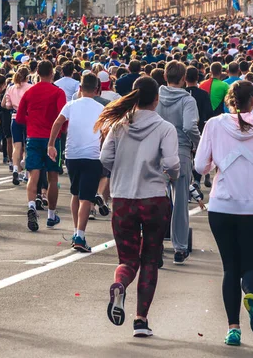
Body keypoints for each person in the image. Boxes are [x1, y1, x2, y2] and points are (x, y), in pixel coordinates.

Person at [195, 80, 253, 346]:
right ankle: (251, 293)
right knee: (252, 264)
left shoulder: (214, 124)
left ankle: (233, 327)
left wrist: (216, 164)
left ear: (230, 100)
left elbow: (200, 165)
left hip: (222, 204)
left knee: (229, 267)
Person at [98, 76, 180, 337]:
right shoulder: (164, 128)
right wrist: (170, 176)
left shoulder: (119, 125)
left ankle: (120, 283)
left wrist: (121, 171)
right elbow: (173, 163)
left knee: (128, 258)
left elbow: (104, 157)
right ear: (156, 100)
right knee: (150, 260)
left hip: (123, 197)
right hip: (154, 198)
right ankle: (141, 319)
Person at [48, 73, 104, 252]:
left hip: (72, 154)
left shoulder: (71, 104)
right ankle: (80, 234)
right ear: (97, 90)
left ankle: (76, 231)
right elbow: (106, 131)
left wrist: (51, 144)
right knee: (86, 197)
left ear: (79, 89)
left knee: (75, 192)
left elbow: (58, 122)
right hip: (92, 155)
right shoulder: (100, 108)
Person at [156, 61, 200, 265]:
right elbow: (190, 125)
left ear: (165, 76)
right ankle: (180, 247)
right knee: (180, 202)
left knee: (156, 200)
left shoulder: (156, 96)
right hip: (180, 150)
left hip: (157, 152)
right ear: (183, 79)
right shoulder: (187, 100)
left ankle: (154, 244)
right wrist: (198, 142)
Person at [15, 61, 65, 231]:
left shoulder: (30, 92)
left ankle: (31, 206)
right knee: (53, 178)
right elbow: (62, 116)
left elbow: (20, 117)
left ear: (37, 73)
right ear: (52, 73)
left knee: (33, 175)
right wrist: (61, 132)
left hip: (33, 136)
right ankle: (51, 215)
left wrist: (32, 123)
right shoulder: (58, 92)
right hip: (52, 138)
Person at [3, 67, 33, 185]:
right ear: (27, 77)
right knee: (27, 145)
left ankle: (15, 168)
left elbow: (7, 105)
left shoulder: (10, 88)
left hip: (14, 118)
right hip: (27, 117)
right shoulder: (31, 88)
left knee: (17, 145)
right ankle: (26, 172)